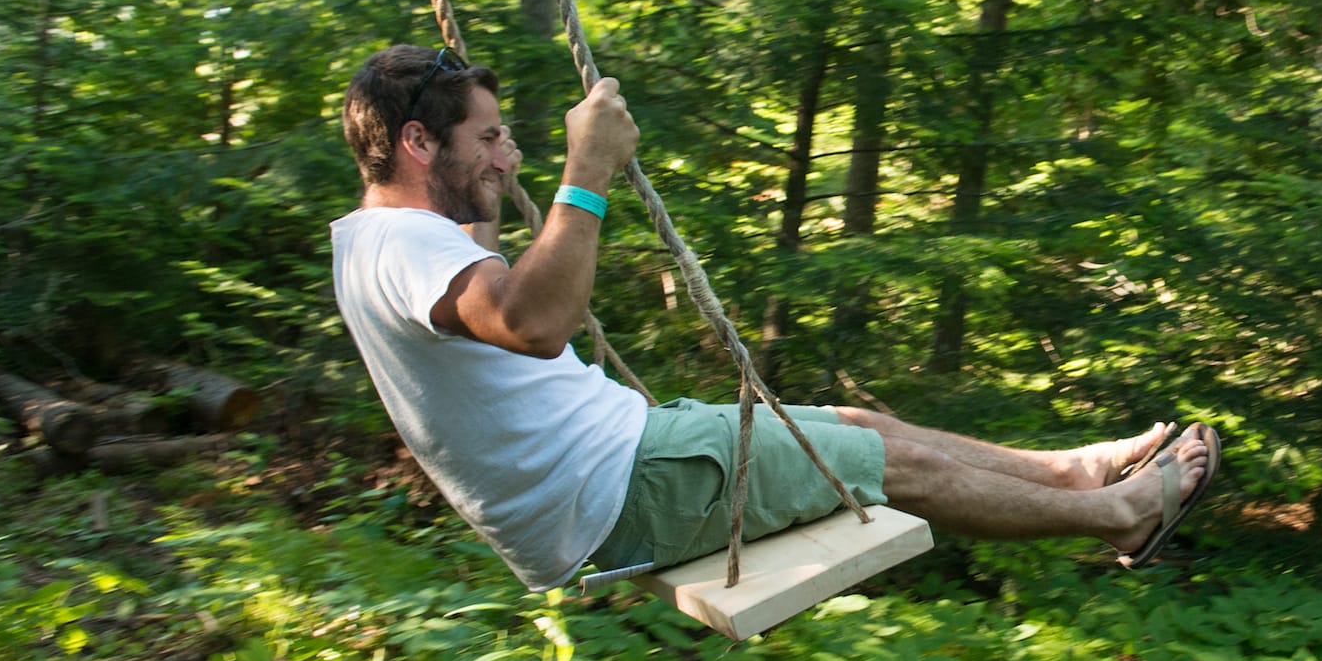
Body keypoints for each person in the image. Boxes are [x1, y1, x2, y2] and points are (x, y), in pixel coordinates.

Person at [330, 44, 1219, 592]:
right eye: (488, 138)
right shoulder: (401, 245)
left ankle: (1071, 473)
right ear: (418, 143)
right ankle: (1121, 516)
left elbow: (480, 273)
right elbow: (531, 324)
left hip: (621, 460)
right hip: (618, 488)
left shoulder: (385, 240)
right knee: (892, 465)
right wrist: (586, 168)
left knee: (858, 424)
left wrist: (485, 176)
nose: (505, 155)